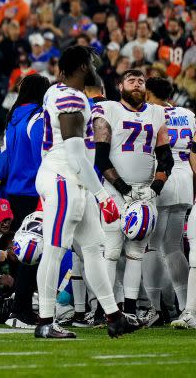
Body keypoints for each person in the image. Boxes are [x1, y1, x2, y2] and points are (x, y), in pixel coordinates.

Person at [34, 45, 137, 339]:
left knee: (94, 249)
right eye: (91, 63)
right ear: (81, 68)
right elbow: (77, 155)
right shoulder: (70, 97)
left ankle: (114, 316)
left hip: (71, 179)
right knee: (54, 250)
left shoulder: (58, 91)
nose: (95, 67)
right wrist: (103, 196)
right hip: (65, 178)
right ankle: (45, 321)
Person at [92, 69, 172, 323]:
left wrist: (154, 189)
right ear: (120, 86)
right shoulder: (107, 110)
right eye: (131, 80)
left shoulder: (157, 113)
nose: (137, 84)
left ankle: (128, 309)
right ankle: (107, 309)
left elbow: (166, 158)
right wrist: (125, 191)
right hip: (115, 191)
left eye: (141, 81)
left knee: (136, 252)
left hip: (145, 192)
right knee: (112, 251)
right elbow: (101, 158)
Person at [0, 73, 51, 329]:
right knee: (34, 254)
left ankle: (19, 303)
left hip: (13, 191)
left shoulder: (12, 118)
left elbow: (2, 160)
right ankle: (22, 310)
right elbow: (42, 157)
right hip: (33, 192)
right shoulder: (38, 117)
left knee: (23, 253)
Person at [146, 77, 193, 327]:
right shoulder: (187, 113)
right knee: (174, 247)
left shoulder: (151, 112)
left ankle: (152, 307)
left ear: (149, 93)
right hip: (185, 178)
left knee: (152, 246)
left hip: (162, 177)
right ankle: (186, 306)